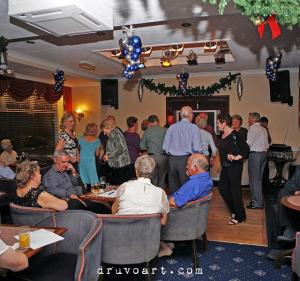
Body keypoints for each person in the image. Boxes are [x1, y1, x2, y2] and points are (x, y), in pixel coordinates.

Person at [159, 154, 213, 257]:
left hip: (182, 219)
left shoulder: (193, 184)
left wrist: (159, 201)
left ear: (195, 168)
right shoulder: (207, 179)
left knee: (151, 212)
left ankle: (165, 246)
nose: (186, 167)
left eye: (188, 165)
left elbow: (173, 203)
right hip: (194, 215)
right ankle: (168, 240)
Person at [43, 150, 110, 213]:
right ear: (55, 160)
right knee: (102, 209)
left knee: (104, 206)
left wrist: (73, 172)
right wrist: (69, 194)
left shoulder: (64, 171)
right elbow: (52, 189)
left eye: (68, 162)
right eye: (64, 162)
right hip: (67, 202)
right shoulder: (50, 175)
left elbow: (74, 183)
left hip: (77, 197)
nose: (66, 164)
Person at [112, 155, 169, 223]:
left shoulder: (123, 187)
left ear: (136, 171)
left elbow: (114, 212)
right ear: (152, 172)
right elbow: (163, 222)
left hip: (123, 231)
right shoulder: (161, 193)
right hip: (149, 232)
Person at [217, 113, 250, 224]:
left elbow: (246, 150)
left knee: (235, 191)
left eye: (218, 123)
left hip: (235, 167)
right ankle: (234, 211)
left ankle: (240, 216)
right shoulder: (221, 135)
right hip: (225, 167)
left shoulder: (236, 135)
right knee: (222, 189)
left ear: (224, 123)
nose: (217, 125)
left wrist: (236, 157)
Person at [163, 106, 202, 193]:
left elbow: (164, 147)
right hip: (186, 160)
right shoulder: (193, 128)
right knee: (186, 187)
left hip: (171, 160)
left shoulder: (171, 127)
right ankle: (186, 206)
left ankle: (174, 205)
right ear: (190, 115)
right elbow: (197, 148)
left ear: (181, 115)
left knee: (173, 188)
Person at [246, 112, 269, 209]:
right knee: (258, 179)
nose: (248, 120)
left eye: (249, 118)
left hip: (255, 155)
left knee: (254, 180)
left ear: (253, 119)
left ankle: (257, 203)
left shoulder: (253, 128)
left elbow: (248, 143)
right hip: (264, 154)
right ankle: (259, 200)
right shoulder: (264, 129)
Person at [100, 118, 131, 185]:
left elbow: (121, 148)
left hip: (121, 166)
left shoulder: (115, 133)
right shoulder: (113, 133)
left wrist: (108, 156)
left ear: (108, 127)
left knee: (120, 188)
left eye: (104, 130)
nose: (104, 133)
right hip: (118, 166)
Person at [140, 115, 167, 189]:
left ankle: (153, 197)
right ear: (158, 121)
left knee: (153, 179)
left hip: (151, 157)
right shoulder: (165, 130)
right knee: (162, 178)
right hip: (163, 157)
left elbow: (142, 146)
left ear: (149, 123)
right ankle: (161, 197)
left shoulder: (147, 132)